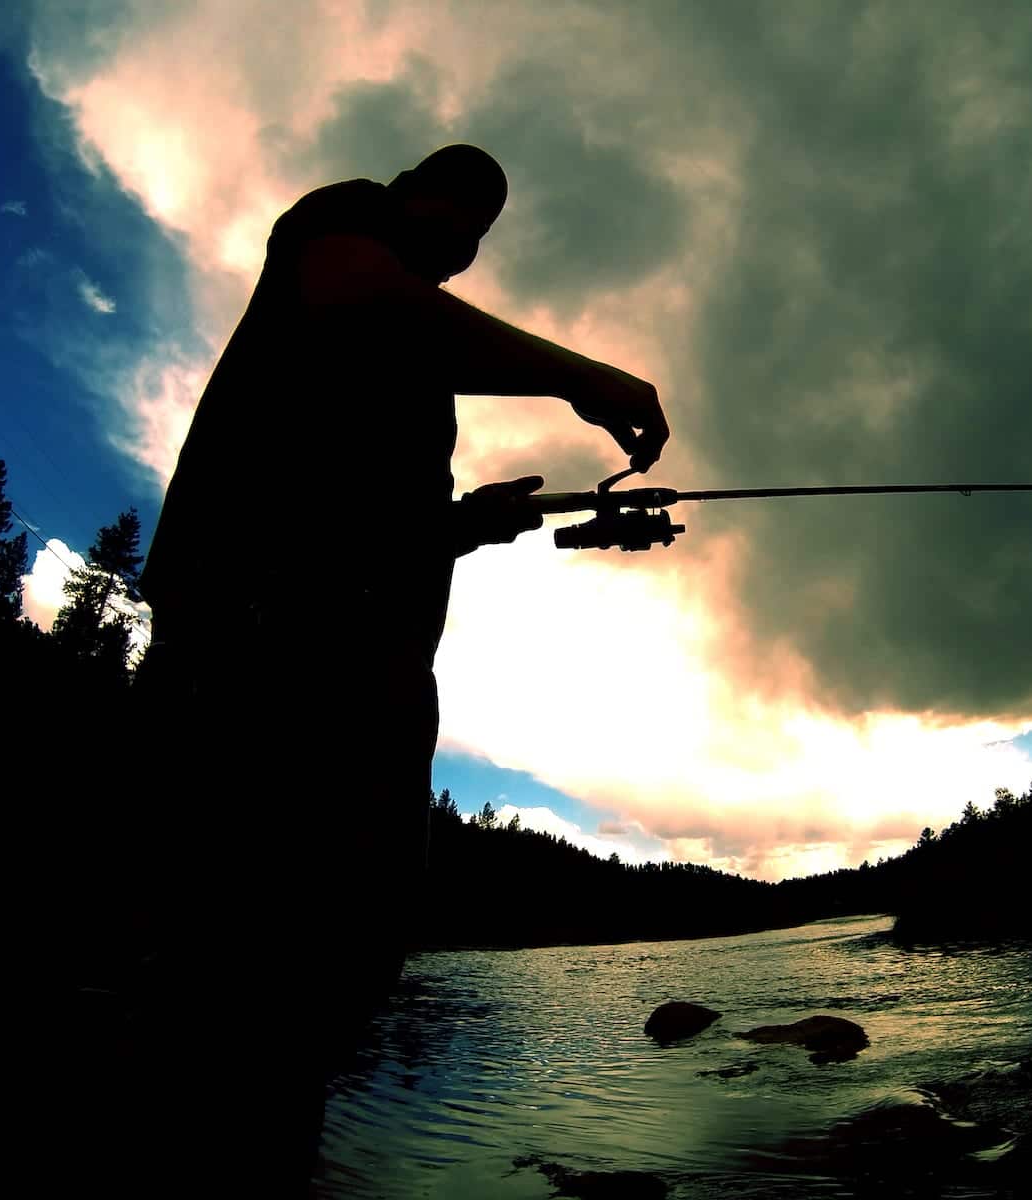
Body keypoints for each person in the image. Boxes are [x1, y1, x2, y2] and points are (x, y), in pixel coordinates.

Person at [101, 145, 668, 1195]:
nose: (466, 244)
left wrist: (469, 523)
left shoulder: (407, 373)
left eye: (483, 232)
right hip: (256, 646)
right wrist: (582, 379)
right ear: (410, 191)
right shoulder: (343, 224)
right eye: (460, 212)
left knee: (325, 977)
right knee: (220, 965)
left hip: (354, 656)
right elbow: (354, 298)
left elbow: (366, 525)